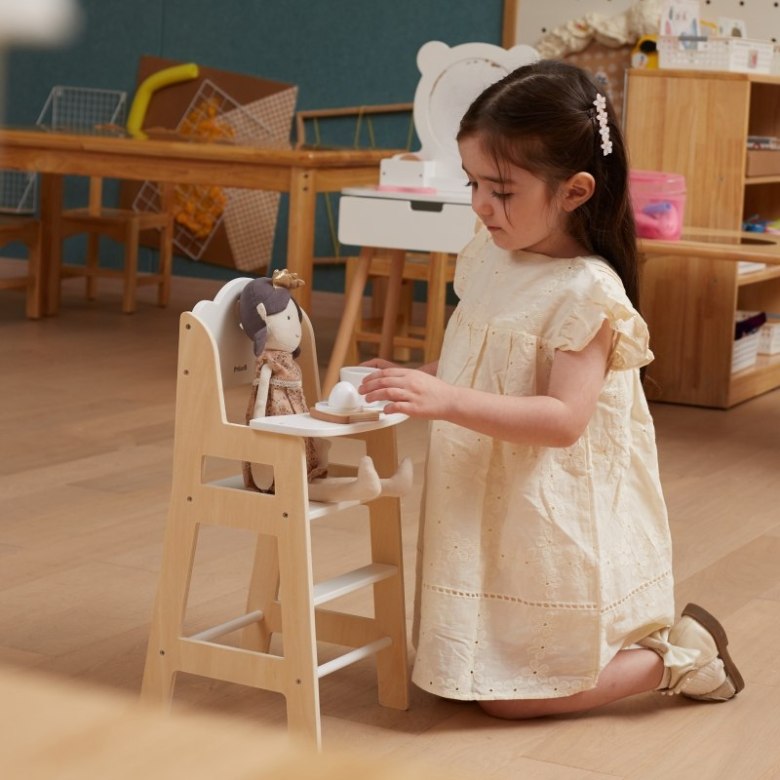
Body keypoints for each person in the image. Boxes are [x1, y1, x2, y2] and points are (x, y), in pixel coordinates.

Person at [358, 59, 744, 718]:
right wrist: (418, 382)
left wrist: (447, 402)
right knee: (470, 666)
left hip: (546, 498)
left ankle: (679, 657)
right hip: (486, 487)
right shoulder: (490, 256)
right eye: (474, 182)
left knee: (512, 701)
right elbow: (486, 364)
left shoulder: (587, 292)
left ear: (574, 191)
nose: (481, 204)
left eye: (501, 190)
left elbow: (564, 417)